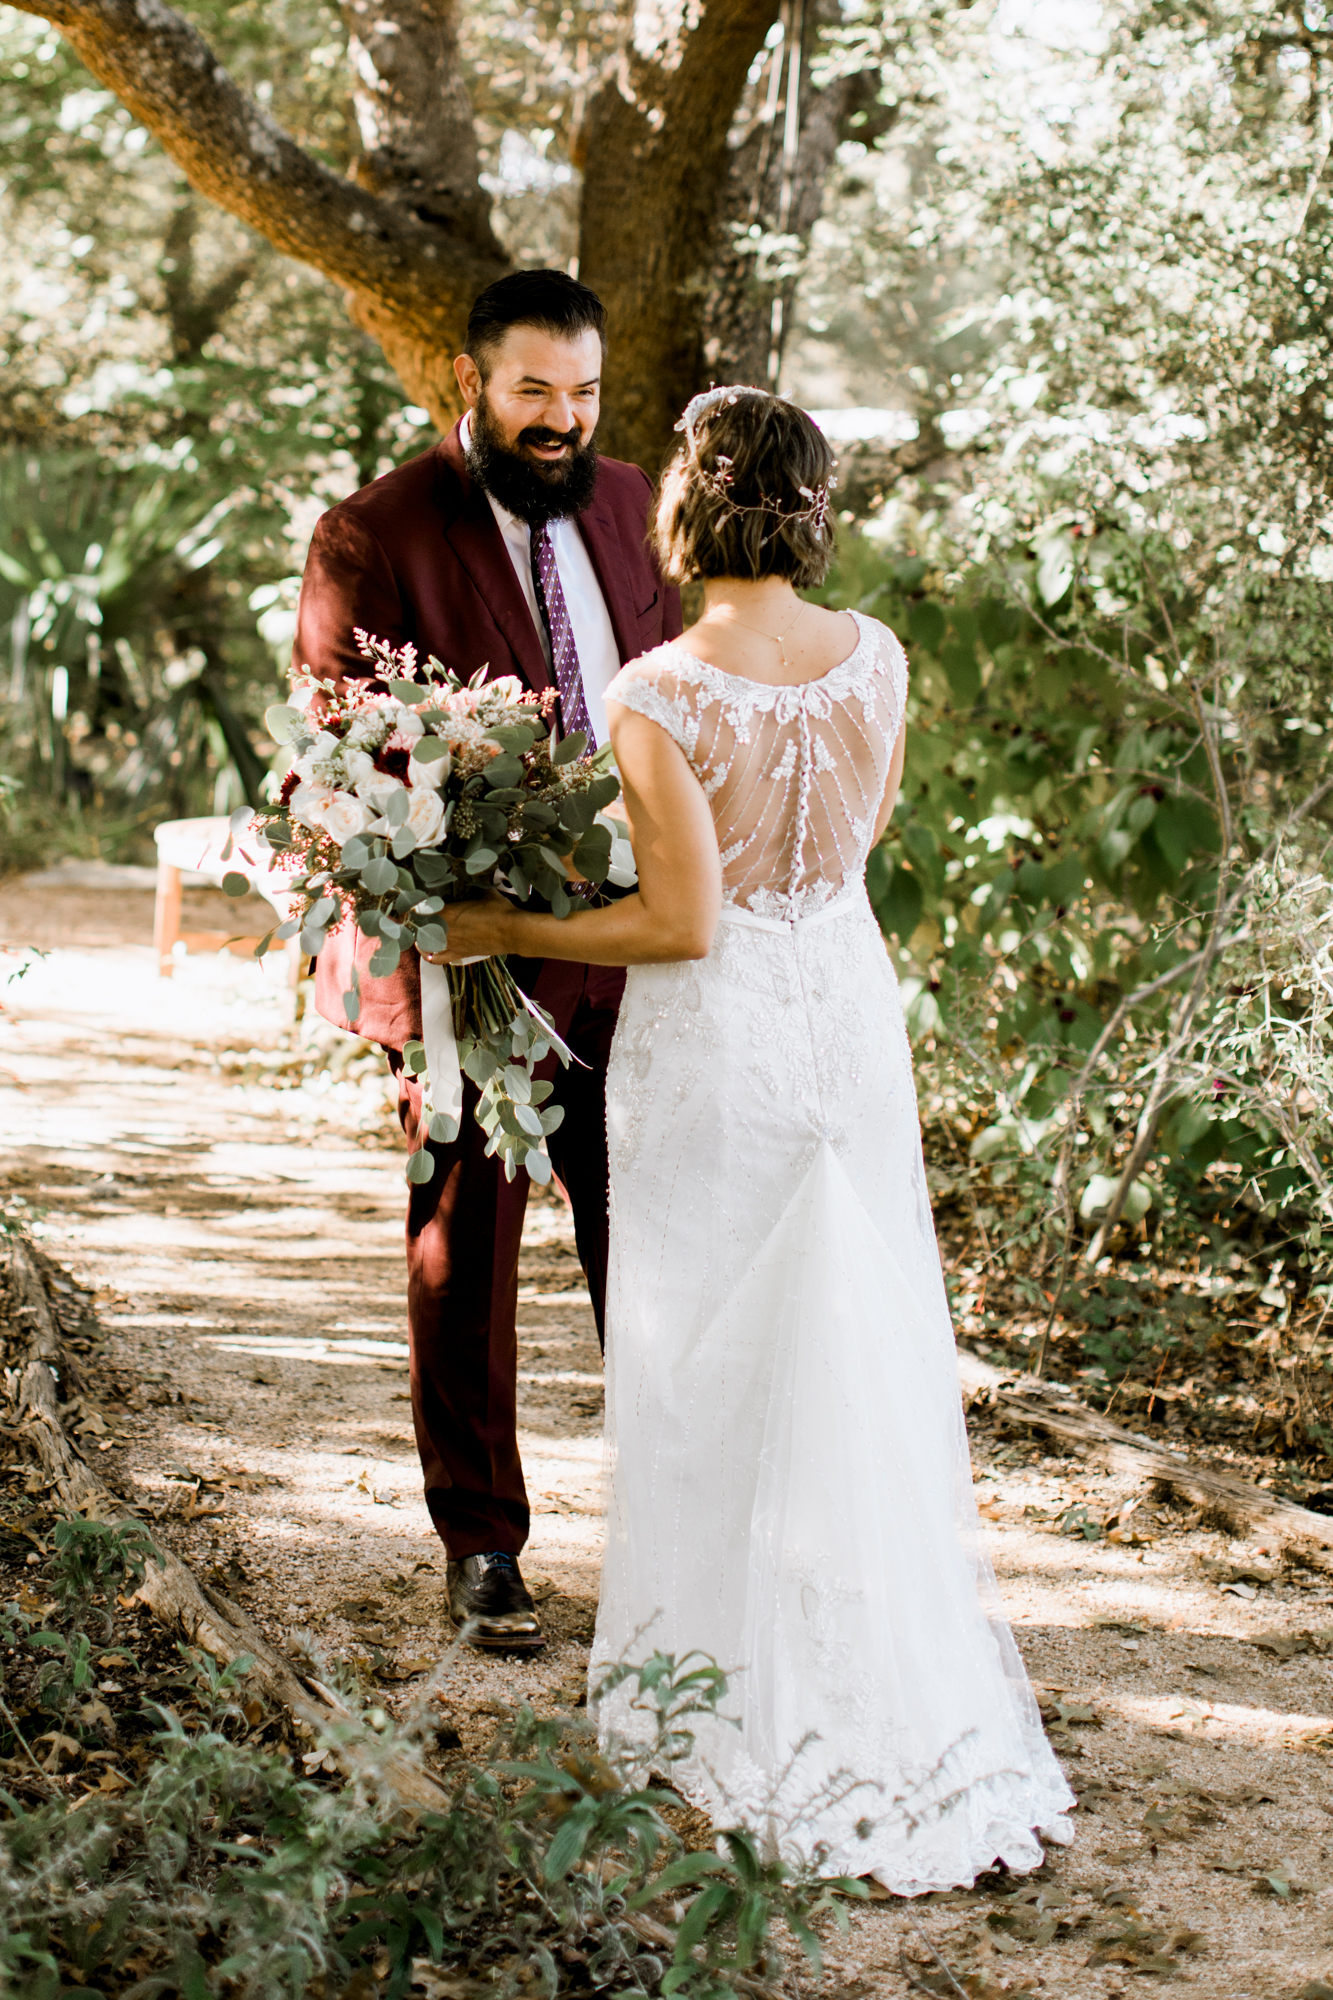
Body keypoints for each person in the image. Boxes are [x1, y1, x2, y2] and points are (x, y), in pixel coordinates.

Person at [427, 386, 1075, 1892]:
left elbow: (677, 919)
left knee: (705, 1349)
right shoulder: (880, 661)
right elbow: (855, 846)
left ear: (684, 515)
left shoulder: (658, 687)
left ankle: (709, 1702)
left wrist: (501, 920)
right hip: (842, 1018)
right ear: (811, 504)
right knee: (849, 1336)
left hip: (715, 1036)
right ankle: (879, 1675)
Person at [292, 270, 681, 1651]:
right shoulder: (374, 532)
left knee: (653, 1237)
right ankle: (481, 1542)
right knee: (466, 1251)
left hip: (632, 950)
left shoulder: (637, 505)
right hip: (467, 959)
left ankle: (680, 1534)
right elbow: (339, 754)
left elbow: (677, 686)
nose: (560, 419)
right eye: (532, 391)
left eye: (580, 392)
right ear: (470, 379)